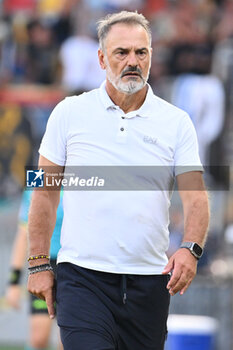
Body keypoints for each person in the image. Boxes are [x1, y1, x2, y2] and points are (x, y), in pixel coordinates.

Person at [27, 11, 209, 350]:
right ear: (101, 58)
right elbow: (43, 190)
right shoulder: (68, 113)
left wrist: (191, 248)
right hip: (81, 278)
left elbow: (195, 196)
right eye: (121, 53)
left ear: (151, 56)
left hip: (149, 284)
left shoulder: (177, 122)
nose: (132, 61)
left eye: (141, 52)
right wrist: (37, 261)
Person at [6, 190, 63, 350]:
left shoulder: (84, 177)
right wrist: (14, 281)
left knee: (68, 342)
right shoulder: (37, 178)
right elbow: (23, 235)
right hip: (43, 265)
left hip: (72, 265)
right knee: (38, 339)